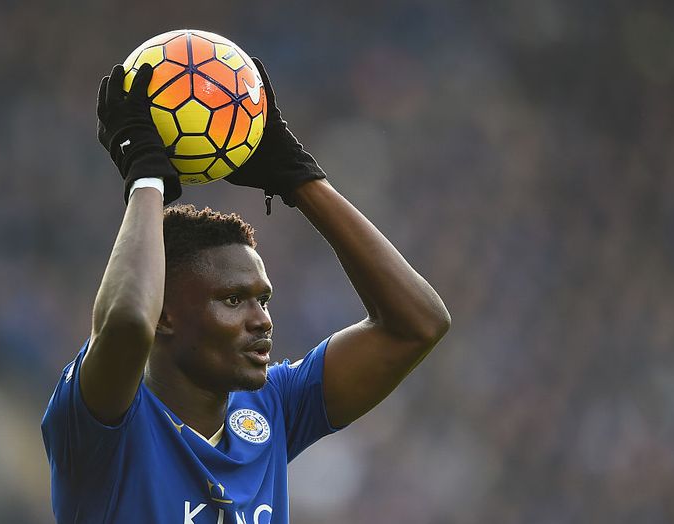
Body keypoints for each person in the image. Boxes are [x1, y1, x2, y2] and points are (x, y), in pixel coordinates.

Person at [41, 58, 451, 524]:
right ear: (165, 315)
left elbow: (418, 324)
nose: (262, 320)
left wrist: (300, 178)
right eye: (233, 300)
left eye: (263, 299)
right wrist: (146, 179)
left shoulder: (272, 407)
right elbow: (127, 323)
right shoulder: (99, 423)